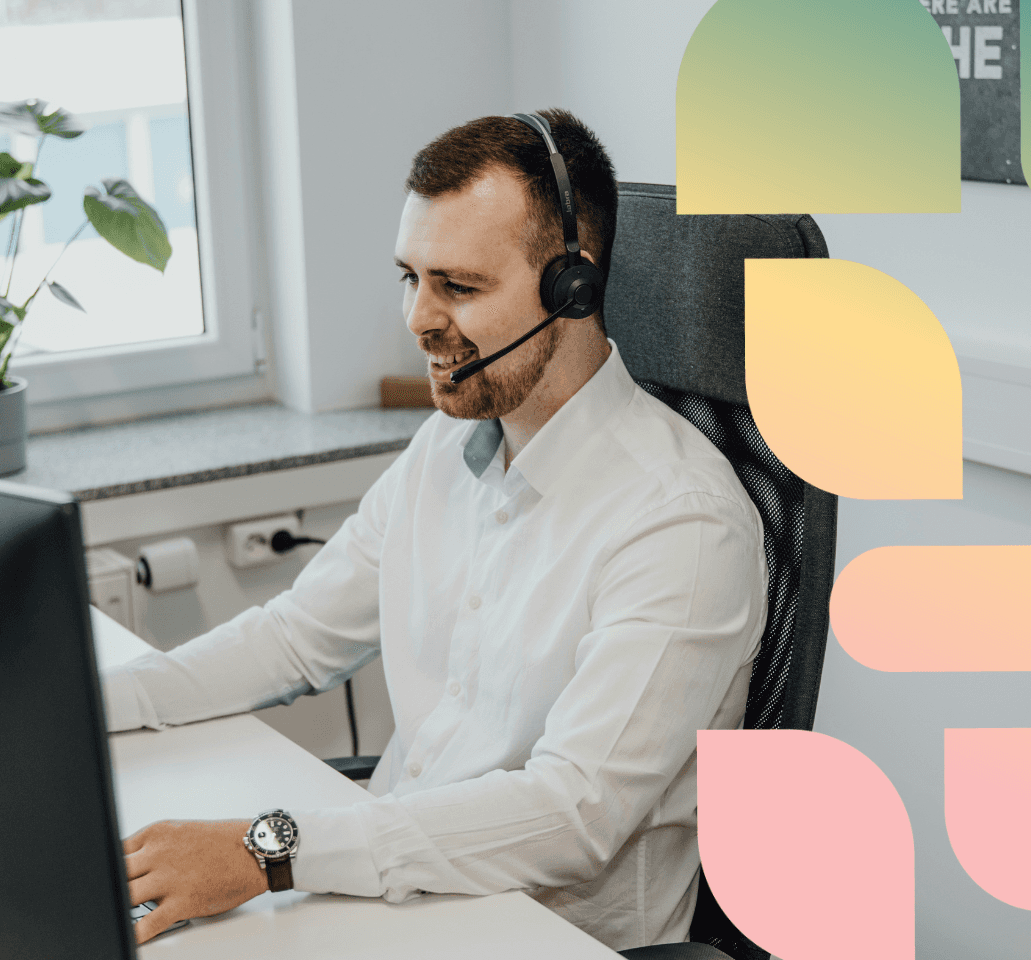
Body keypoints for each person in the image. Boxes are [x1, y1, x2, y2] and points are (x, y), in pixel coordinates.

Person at [104, 108, 768, 953]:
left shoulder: (682, 522)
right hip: (391, 898)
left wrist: (266, 851)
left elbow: (572, 813)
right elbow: (295, 639)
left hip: (534, 934)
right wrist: (100, 706)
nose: (418, 319)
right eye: (409, 277)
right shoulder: (446, 444)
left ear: (574, 286)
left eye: (457, 286)